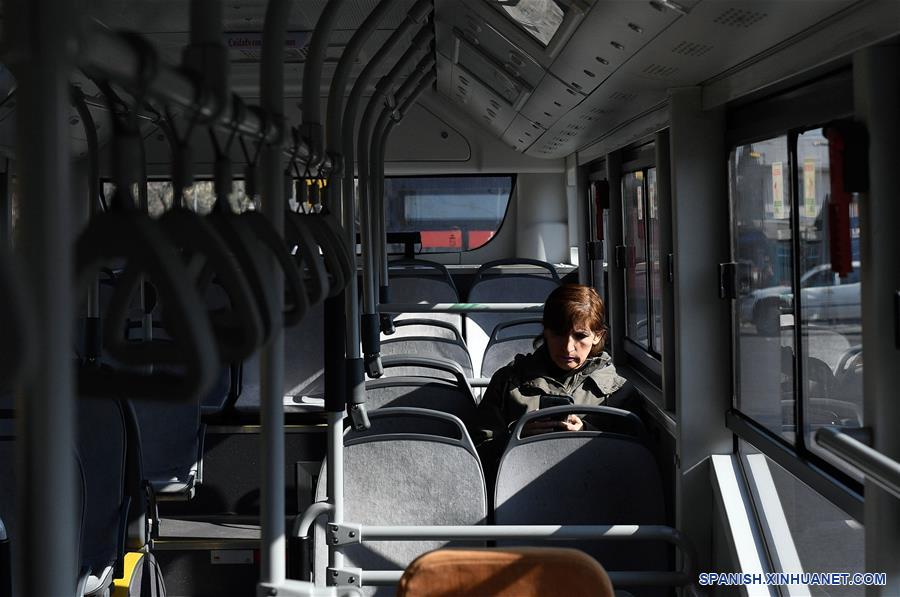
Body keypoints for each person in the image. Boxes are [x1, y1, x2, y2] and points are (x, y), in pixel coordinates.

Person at [471, 284, 638, 490]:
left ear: (597, 335)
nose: (568, 347)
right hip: (520, 490)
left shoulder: (617, 391)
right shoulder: (508, 382)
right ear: (546, 332)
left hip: (597, 491)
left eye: (580, 336)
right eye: (559, 334)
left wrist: (588, 434)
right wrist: (515, 437)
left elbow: (637, 460)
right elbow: (477, 456)